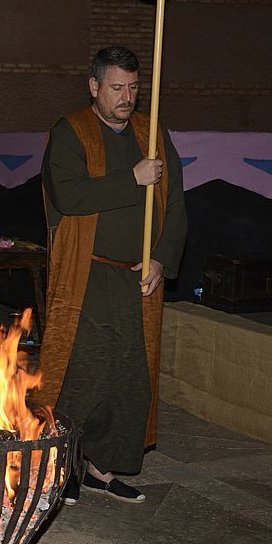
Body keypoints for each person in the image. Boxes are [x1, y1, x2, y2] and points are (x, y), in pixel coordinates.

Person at [37, 45, 187, 505]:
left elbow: (176, 203)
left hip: (138, 279)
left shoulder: (151, 133)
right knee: (82, 373)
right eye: (117, 87)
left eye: (133, 88)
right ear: (94, 86)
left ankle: (101, 470)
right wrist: (132, 179)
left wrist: (161, 258)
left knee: (129, 377)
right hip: (88, 275)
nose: (127, 97)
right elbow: (69, 196)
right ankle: (61, 469)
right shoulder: (71, 132)